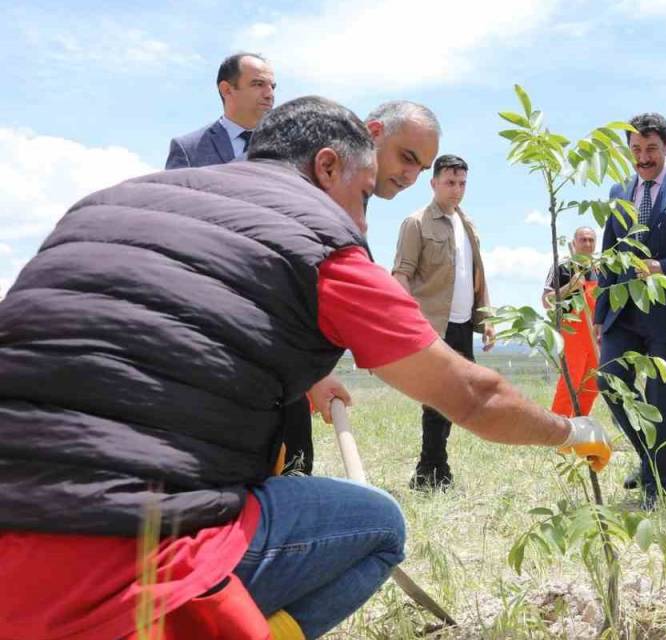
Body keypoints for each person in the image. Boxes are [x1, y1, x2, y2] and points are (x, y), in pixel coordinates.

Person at [0, 96, 610, 640]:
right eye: (366, 196)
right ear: (326, 166)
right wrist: (570, 432)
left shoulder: (103, 205)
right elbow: (474, 397)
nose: (364, 222)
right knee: (379, 525)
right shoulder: (323, 245)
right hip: (114, 572)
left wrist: (309, 370)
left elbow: (152, 321)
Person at [279, 100, 444, 477]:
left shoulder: (352, 198)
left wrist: (314, 377)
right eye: (406, 157)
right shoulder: (317, 191)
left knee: (294, 469)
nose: (410, 176)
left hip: (287, 373)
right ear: (372, 133)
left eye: (420, 168)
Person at [597, 112, 666, 509]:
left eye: (651, 149)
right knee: (610, 381)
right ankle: (648, 456)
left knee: (661, 399)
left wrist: (664, 267)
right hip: (623, 311)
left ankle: (659, 482)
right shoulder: (618, 190)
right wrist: (599, 317)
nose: (643, 158)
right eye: (636, 150)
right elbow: (608, 254)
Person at [392, 154, 496, 491]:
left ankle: (433, 465)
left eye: (462, 183)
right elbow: (401, 275)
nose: (457, 190)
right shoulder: (416, 222)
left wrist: (488, 318)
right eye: (450, 183)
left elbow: (478, 276)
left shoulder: (468, 225)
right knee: (438, 397)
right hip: (433, 325)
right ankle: (432, 469)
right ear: (433, 183)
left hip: (464, 323)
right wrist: (408, 322)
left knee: (458, 398)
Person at [166, 52, 276, 169]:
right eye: (258, 84)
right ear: (226, 90)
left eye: (272, 87)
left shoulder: (288, 147)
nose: (270, 95)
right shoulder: (187, 150)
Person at [545, 226, 601, 418]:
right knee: (571, 382)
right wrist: (570, 286)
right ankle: (558, 428)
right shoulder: (562, 267)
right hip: (572, 333)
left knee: (593, 385)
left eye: (591, 240)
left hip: (594, 333)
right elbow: (546, 301)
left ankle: (580, 425)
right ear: (574, 242)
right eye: (583, 240)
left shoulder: (599, 269)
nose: (587, 244)